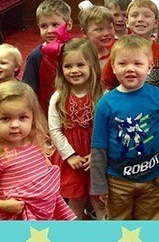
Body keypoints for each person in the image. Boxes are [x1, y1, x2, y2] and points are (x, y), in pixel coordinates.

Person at [90, 35, 159, 220]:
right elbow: (99, 146)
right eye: (123, 64)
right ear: (113, 67)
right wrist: (99, 184)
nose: (130, 69)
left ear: (149, 67)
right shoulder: (105, 103)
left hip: (154, 179)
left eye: (137, 63)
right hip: (117, 181)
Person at [0, 81, 76, 220]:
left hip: (48, 210)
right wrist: (2, 205)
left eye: (22, 117)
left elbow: (46, 173)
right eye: (5, 118)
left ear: (33, 118)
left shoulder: (36, 142)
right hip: (21, 217)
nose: (14, 125)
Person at [48, 39, 106, 220]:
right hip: (71, 159)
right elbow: (55, 129)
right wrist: (70, 155)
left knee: (101, 201)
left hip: (96, 156)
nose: (74, 71)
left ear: (92, 65)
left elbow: (108, 129)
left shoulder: (103, 95)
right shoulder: (58, 97)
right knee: (76, 201)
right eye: (68, 66)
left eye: (80, 65)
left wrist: (97, 154)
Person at [101, 0, 159, 89]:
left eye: (147, 16)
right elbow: (105, 81)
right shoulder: (119, 49)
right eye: (134, 15)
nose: (140, 19)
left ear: (156, 23)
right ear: (127, 22)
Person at [23, 0, 72, 113]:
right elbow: (29, 90)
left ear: (68, 25)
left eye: (55, 25)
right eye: (44, 26)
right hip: (48, 113)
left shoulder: (78, 51)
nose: (49, 30)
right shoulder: (36, 56)